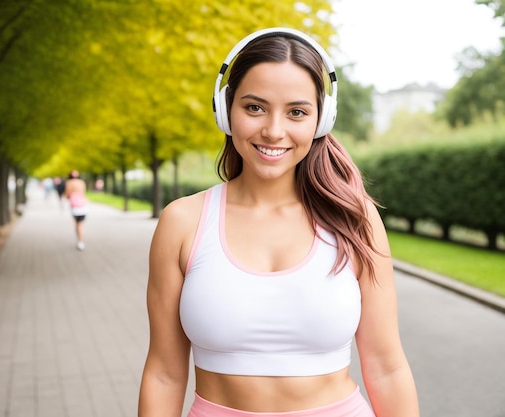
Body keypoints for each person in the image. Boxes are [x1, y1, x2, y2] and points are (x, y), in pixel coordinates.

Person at [138, 28, 419, 417]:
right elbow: (164, 375)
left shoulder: (354, 220)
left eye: (297, 112)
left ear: (322, 121)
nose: (273, 130)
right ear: (225, 110)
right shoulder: (181, 222)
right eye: (254, 107)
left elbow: (387, 369)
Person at [64, 169, 88, 250]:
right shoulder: (82, 182)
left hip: (75, 205)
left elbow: (67, 194)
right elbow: (84, 193)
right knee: (80, 223)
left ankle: (80, 241)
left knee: (78, 224)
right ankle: (80, 240)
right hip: (83, 204)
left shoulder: (69, 182)